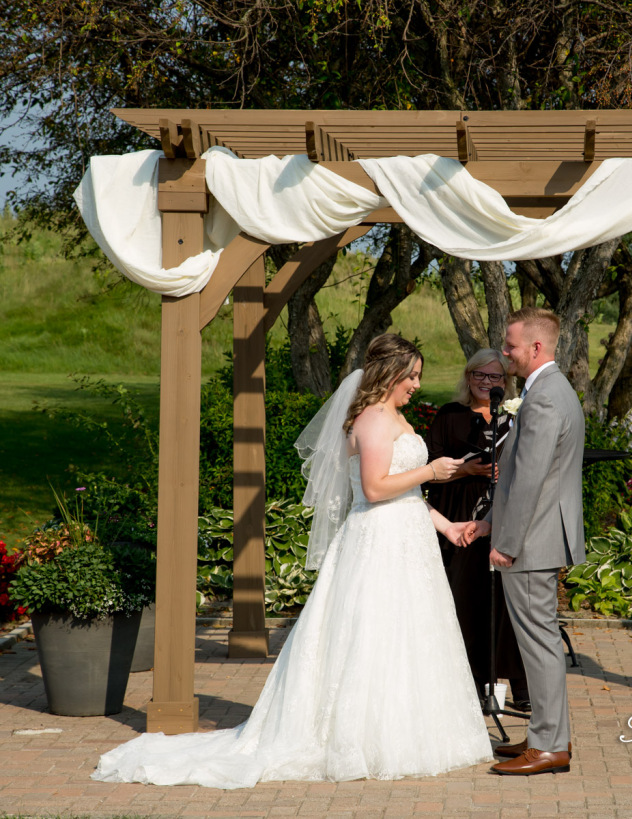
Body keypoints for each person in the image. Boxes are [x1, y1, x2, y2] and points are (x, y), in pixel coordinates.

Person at [92, 334, 494, 788]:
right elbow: (376, 489)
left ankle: (414, 732)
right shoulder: (373, 419)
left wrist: (446, 525)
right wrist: (433, 469)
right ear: (390, 372)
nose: (417, 385)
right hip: (377, 543)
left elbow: (407, 494)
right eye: (412, 376)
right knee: (372, 635)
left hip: (407, 539)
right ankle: (361, 740)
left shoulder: (394, 416)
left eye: (418, 377)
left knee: (409, 635)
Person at [465, 307, 585, 776]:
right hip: (533, 535)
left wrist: (507, 542)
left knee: (538, 643)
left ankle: (551, 746)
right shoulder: (548, 391)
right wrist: (492, 521)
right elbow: (522, 476)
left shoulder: (545, 398)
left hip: (532, 542)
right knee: (539, 641)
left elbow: (532, 479)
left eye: (511, 345)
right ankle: (546, 736)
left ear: (536, 348)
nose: (505, 352)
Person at [424, 349, 530, 711]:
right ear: (468, 378)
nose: (487, 383)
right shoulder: (450, 416)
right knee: (465, 598)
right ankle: (470, 683)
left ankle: (520, 685)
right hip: (458, 514)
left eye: (495, 377)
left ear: (506, 382)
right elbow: (429, 468)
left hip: (502, 516)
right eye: (480, 376)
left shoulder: (516, 417)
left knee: (506, 602)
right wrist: (466, 471)